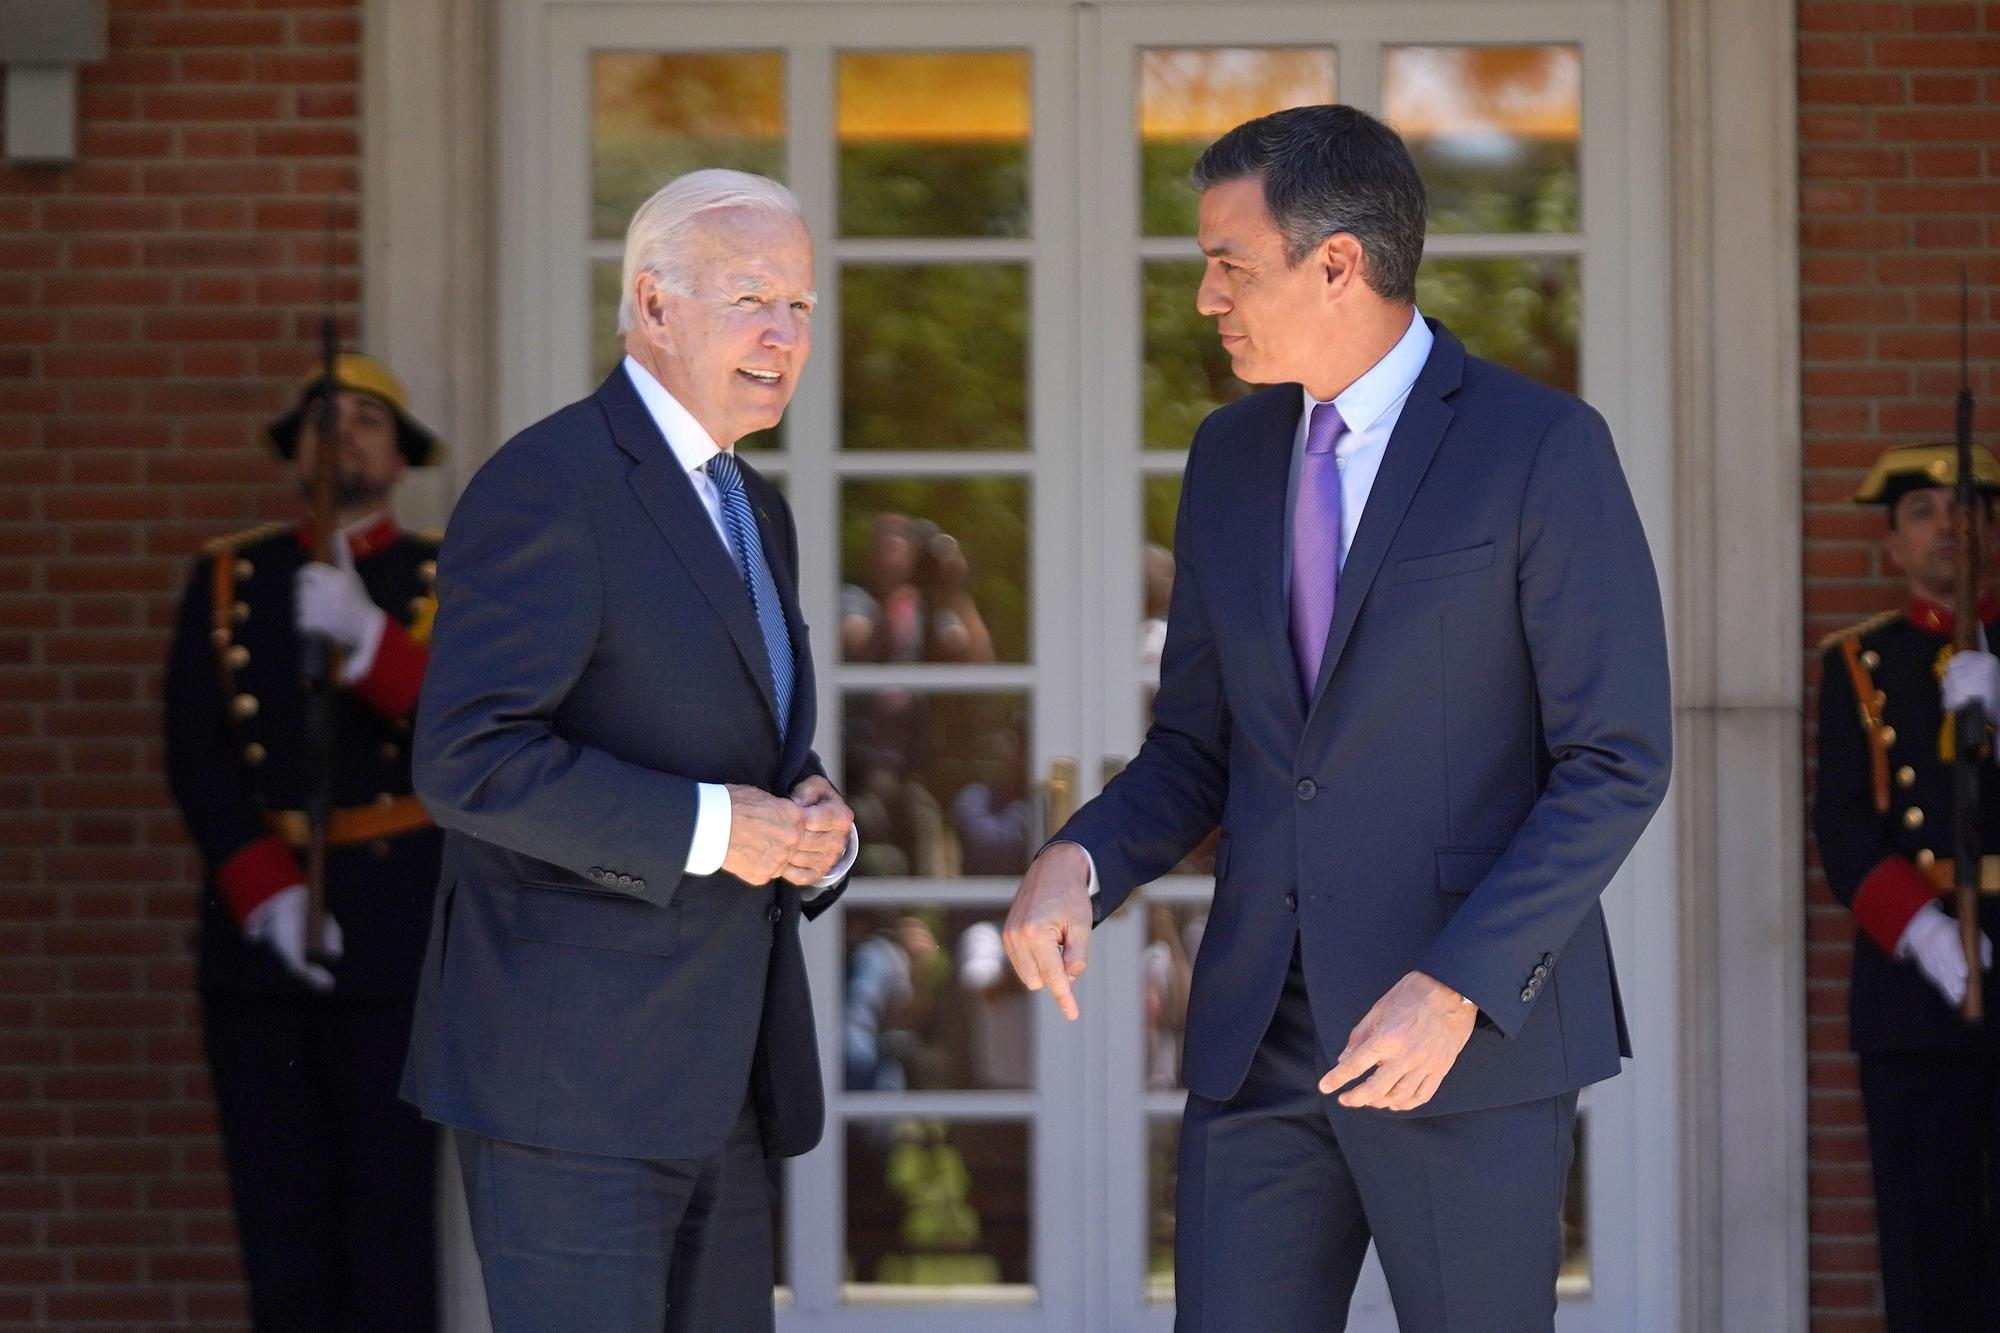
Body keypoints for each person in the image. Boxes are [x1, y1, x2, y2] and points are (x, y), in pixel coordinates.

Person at [1002, 105, 1671, 1332]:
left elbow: (1614, 760)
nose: (1206, 297)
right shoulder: (1227, 457)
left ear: (1335, 262)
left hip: (1460, 1041)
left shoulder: (1540, 449)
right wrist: (1075, 862)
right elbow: (1198, 747)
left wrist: (1455, 988)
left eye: (1227, 263)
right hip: (1258, 1042)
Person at [400, 169, 857, 1333]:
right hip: (571, 1086)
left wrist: (811, 829)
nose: (782, 334)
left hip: (725, 1082)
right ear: (652, 305)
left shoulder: (756, 507)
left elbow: (747, 746)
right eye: (753, 297)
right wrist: (717, 826)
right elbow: (469, 758)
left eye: (800, 307)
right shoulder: (549, 484)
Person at [163, 353, 448, 1331]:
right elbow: (196, 753)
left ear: (398, 454)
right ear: (295, 451)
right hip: (262, 933)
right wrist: (267, 891)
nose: (345, 434)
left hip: (397, 932)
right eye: (325, 417)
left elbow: (468, 738)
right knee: (278, 1226)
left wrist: (371, 644)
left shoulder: (439, 576)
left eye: (368, 418)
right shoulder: (228, 577)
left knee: (389, 1225)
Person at [1813, 442, 2000, 1331]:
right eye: (1923, 512)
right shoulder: (1859, 663)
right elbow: (1845, 825)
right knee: (1927, 1252)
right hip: (1913, 989)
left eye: (1965, 508)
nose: (1948, 527)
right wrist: (1926, 933)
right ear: (1893, 543)